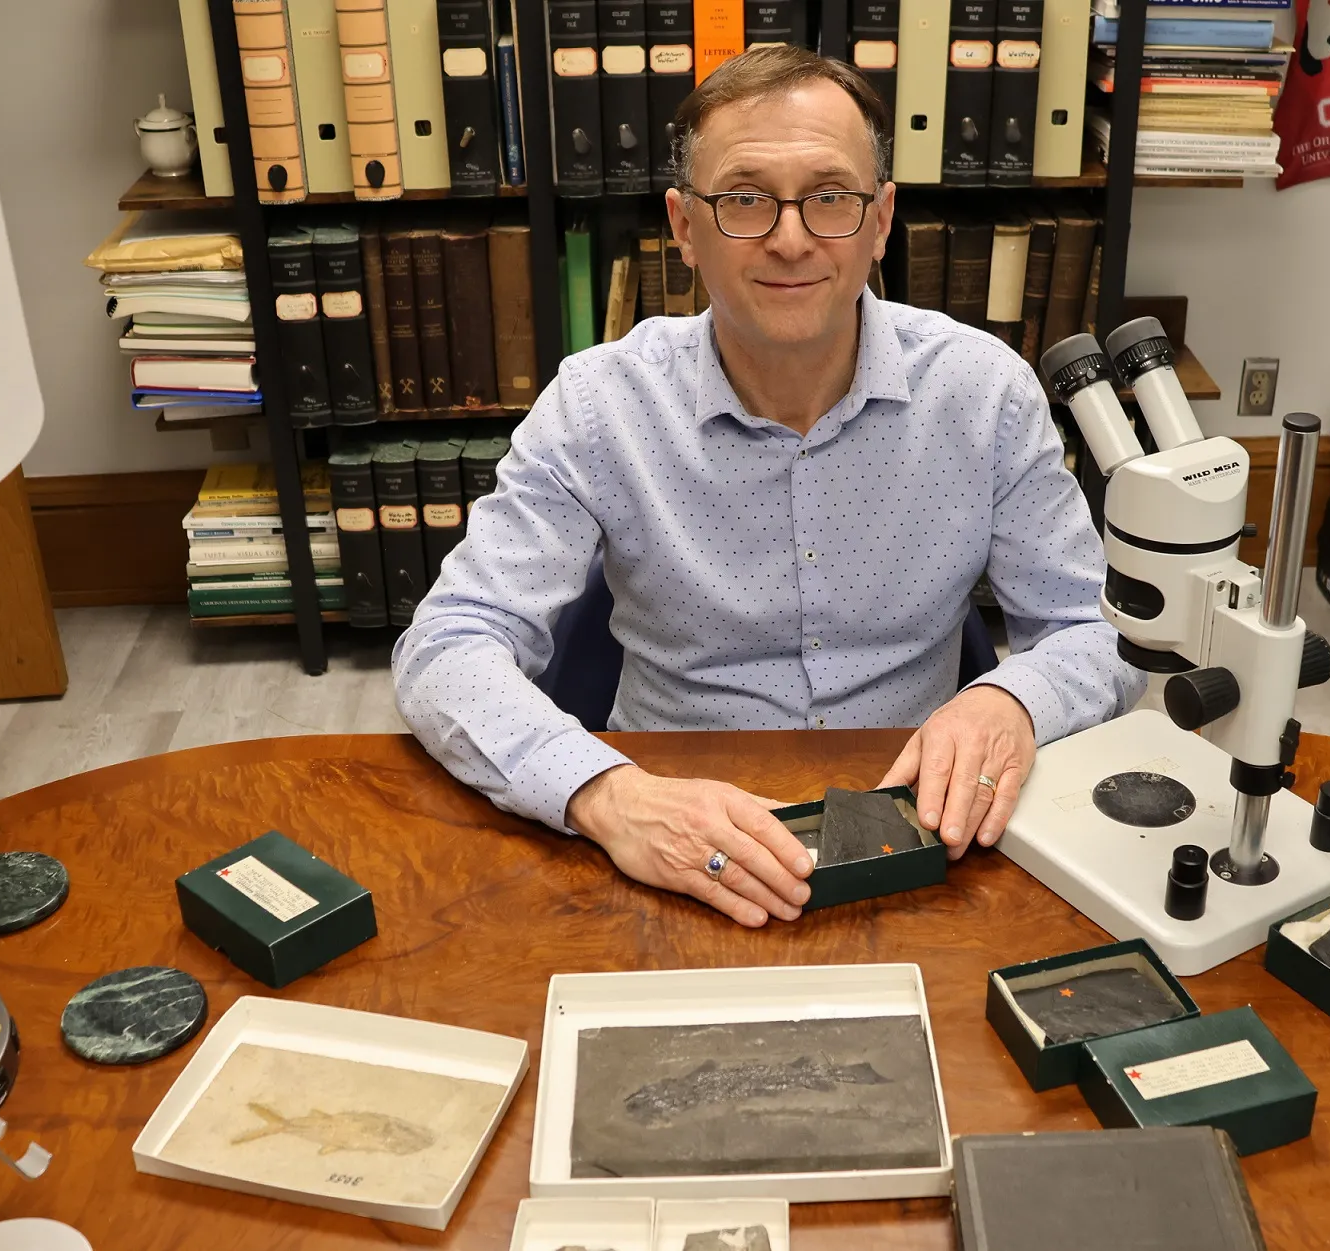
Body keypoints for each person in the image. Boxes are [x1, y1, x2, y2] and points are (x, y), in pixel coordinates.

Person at [393, 44, 1140, 927]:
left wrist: (1010, 699)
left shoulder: (984, 393)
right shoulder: (600, 404)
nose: (791, 239)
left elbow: (1097, 632)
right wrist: (607, 794)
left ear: (881, 219)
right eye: (745, 199)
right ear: (683, 226)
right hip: (667, 843)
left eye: (830, 197)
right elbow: (448, 645)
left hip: (926, 839)